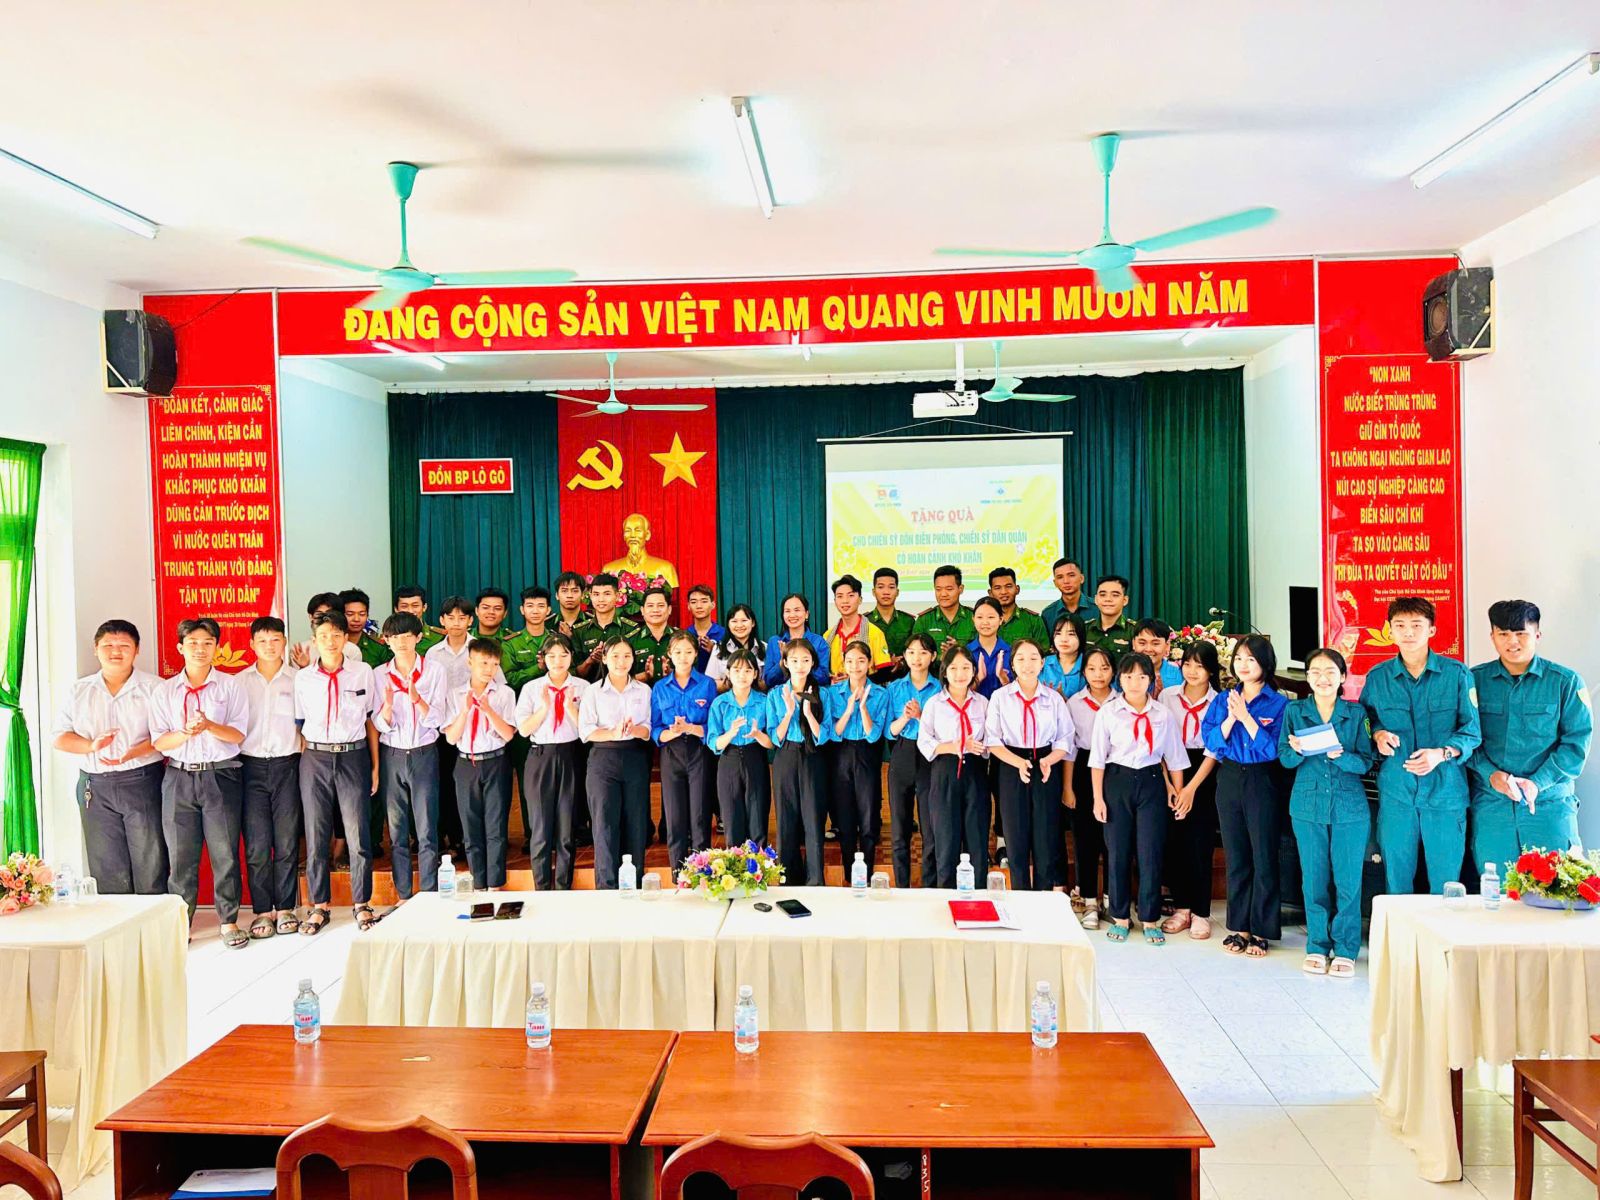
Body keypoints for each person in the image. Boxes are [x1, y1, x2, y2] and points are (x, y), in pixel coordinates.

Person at [1362, 597, 1481, 894]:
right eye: (1400, 625)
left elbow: (1472, 731)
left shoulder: (1457, 675)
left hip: (1445, 793)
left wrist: (1442, 754)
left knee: (1446, 885)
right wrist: (1377, 734)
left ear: (1431, 630)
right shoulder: (1377, 678)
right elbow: (1366, 722)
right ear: (1390, 630)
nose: (1408, 632)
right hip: (1397, 794)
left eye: (1417, 625)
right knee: (1396, 883)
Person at [1468, 599, 1593, 868]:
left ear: (1537, 635)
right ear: (1492, 637)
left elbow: (1576, 746)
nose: (1512, 641)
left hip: (1549, 806)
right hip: (1493, 806)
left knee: (1556, 886)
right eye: (1503, 633)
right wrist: (1491, 774)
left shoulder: (1565, 682)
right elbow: (1466, 737)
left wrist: (1537, 782)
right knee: (1497, 889)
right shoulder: (1473, 680)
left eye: (1521, 633)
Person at [148, 618, 249, 944]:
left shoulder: (231, 686)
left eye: (207, 643)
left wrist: (209, 726)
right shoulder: (164, 691)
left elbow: (238, 735)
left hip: (221, 775)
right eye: (192, 643)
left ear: (217, 647)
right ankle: (182, 925)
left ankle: (228, 921)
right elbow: (159, 741)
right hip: (178, 776)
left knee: (225, 854)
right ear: (180, 647)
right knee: (180, 857)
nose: (200, 649)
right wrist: (184, 733)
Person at [51, 619, 167, 897]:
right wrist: (91, 745)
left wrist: (134, 752)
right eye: (108, 645)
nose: (116, 651)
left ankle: (153, 921)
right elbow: (59, 737)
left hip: (142, 780)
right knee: (105, 865)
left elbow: (168, 735)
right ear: (95, 649)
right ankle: (117, 922)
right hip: (95, 786)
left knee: (151, 861)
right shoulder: (78, 690)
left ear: (137, 650)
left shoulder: (155, 688)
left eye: (124, 645)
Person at [1280, 647, 1376, 977]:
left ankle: (1346, 949)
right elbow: (1284, 759)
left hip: (1350, 808)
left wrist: (1341, 756)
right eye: (1316, 672)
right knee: (1314, 879)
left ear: (1343, 677)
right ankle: (1317, 945)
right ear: (1307, 677)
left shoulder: (1356, 713)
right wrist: (1295, 750)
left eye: (1330, 672)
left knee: (1348, 880)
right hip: (1308, 807)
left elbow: (1366, 762)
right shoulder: (1295, 711)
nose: (1323, 678)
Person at [1090, 652, 1188, 945]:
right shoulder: (1108, 712)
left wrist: (1178, 792)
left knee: (1150, 850)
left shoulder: (1163, 714)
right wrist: (1098, 798)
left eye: (1142, 676)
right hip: (1117, 781)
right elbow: (1097, 759)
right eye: (1129, 676)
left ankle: (1149, 917)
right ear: (1119, 679)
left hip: (1151, 781)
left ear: (1151, 680)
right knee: (1117, 850)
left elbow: (1175, 758)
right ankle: (1120, 916)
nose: (1135, 682)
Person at [1202, 635, 1290, 958]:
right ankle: (1239, 927)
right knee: (1237, 855)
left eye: (1251, 659)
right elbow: (1212, 741)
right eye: (1239, 658)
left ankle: (1262, 931)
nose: (1243, 664)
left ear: (1265, 664)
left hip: (1262, 779)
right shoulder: (1224, 700)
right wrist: (1231, 717)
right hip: (1229, 778)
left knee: (1263, 855)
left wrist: (1247, 718)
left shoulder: (1279, 704)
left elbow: (1273, 749)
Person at [293, 609, 380, 935]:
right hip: (315, 757)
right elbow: (300, 723)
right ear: (314, 640)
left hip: (353, 756)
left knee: (358, 834)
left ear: (346, 638)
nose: (330, 641)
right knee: (316, 835)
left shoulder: (362, 672)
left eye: (336, 635)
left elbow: (370, 720)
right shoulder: (304, 678)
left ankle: (362, 902)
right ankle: (320, 905)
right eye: (323, 636)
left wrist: (374, 766)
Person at [986, 638, 1074, 891]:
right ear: (1012, 664)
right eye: (1021, 659)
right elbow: (993, 740)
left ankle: (1042, 898)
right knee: (1016, 838)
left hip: (1046, 766)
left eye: (1034, 658)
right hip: (1010, 765)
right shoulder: (1000, 697)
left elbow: (1066, 738)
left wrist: (1049, 759)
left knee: (1046, 837)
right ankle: (1020, 897)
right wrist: (1018, 763)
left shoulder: (1053, 699)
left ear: (1042, 662)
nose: (1028, 664)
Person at [373, 611, 449, 902]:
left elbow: (438, 719)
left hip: (424, 753)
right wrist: (387, 708)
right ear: (386, 640)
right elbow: (378, 724)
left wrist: (417, 699)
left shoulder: (434, 671)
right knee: (397, 829)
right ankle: (404, 895)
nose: (402, 642)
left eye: (407, 636)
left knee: (427, 828)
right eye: (395, 637)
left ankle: (428, 894)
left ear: (418, 638)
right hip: (392, 754)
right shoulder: (379, 674)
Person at [236, 617, 302, 938]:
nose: (269, 646)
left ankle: (286, 907)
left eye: (275, 640)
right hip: (248, 767)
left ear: (284, 642)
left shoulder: (298, 680)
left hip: (288, 765)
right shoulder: (238, 682)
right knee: (257, 844)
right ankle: (262, 911)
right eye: (262, 641)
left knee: (287, 841)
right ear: (252, 644)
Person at [441, 637, 518, 891]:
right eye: (484, 663)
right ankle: (478, 882)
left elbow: (508, 735)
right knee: (470, 825)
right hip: (466, 764)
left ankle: (495, 884)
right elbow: (451, 738)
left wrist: (488, 710)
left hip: (496, 762)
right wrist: (465, 711)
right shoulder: (455, 694)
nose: (489, 669)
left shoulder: (505, 693)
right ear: (470, 662)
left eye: (494, 664)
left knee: (495, 825)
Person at [578, 637, 653, 889]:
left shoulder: (643, 690)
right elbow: (586, 731)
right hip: (603, 758)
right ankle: (607, 887)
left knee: (635, 822)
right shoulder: (593, 691)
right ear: (605, 658)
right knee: (604, 824)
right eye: (615, 656)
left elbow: (649, 728)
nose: (621, 662)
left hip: (634, 756)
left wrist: (635, 729)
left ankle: (635, 884)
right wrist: (612, 732)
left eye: (627, 656)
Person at [516, 634, 589, 890]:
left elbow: (587, 731)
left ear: (571, 657)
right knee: (540, 826)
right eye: (552, 656)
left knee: (567, 827)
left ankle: (562, 887)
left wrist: (570, 708)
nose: (558, 661)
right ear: (543, 659)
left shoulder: (583, 687)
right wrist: (545, 708)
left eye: (563, 655)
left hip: (571, 754)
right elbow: (524, 729)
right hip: (540, 756)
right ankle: (542, 887)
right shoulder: (531, 688)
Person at [1159, 642, 1221, 940]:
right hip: (1172, 768)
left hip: (1204, 770)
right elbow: (1159, 740)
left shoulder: (1220, 701)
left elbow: (1215, 749)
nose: (1192, 671)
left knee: (1200, 842)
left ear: (1211, 670)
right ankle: (1181, 908)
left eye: (1200, 665)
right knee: (1174, 840)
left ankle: (1200, 912)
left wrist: (1191, 788)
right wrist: (1171, 785)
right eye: (1187, 664)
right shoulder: (1167, 696)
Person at [917, 645, 990, 886]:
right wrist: (954, 745)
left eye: (966, 668)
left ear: (974, 672)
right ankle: (945, 895)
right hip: (945, 772)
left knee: (977, 840)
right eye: (954, 668)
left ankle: (977, 896)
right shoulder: (934, 703)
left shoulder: (982, 703)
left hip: (975, 773)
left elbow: (992, 739)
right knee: (946, 841)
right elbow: (924, 741)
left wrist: (979, 747)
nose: (960, 674)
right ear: (945, 672)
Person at [424, 595, 486, 859]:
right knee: (444, 785)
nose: (457, 622)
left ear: (471, 620)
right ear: (442, 620)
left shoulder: (480, 649)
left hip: (474, 730)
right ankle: (446, 837)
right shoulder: (433, 653)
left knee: (468, 788)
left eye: (462, 617)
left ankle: (466, 839)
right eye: (451, 617)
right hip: (443, 729)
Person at [766, 637, 830, 885]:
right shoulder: (775, 694)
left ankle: (815, 881)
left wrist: (807, 713)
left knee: (813, 819)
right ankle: (788, 880)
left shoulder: (823, 693)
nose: (800, 665)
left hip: (814, 756)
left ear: (813, 662)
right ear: (785, 662)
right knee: (786, 818)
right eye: (794, 660)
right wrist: (790, 712)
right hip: (786, 756)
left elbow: (826, 735)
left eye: (805, 660)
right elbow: (775, 737)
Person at [653, 630, 718, 867]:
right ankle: (678, 872)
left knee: (700, 814)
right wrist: (672, 732)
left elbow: (713, 725)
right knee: (675, 815)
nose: (683, 657)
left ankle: (703, 871)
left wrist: (690, 727)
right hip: (671, 752)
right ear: (669, 654)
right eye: (678, 652)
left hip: (699, 751)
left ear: (696, 654)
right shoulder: (660, 687)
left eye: (688, 652)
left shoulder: (707, 684)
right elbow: (655, 727)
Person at [1064, 647, 1116, 928]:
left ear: (1114, 672)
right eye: (1092, 668)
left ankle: (1111, 899)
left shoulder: (1122, 701)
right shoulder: (1075, 703)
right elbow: (1070, 748)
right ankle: (1089, 901)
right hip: (1083, 769)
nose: (1098, 674)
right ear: (1083, 672)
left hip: (1114, 769)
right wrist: (1068, 786)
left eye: (1105, 668)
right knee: (1085, 838)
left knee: (1113, 839)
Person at [829, 640, 890, 875]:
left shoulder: (880, 694)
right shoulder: (833, 693)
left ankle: (867, 872)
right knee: (844, 817)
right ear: (843, 663)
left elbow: (874, 735)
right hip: (840, 754)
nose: (855, 666)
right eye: (850, 661)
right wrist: (848, 709)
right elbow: (833, 734)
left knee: (868, 814)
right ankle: (848, 873)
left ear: (870, 663)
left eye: (861, 660)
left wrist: (863, 707)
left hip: (867, 754)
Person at [886, 633, 941, 887]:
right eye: (911, 652)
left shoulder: (940, 689)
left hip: (931, 755)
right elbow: (890, 731)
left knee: (930, 828)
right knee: (900, 828)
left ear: (933, 656)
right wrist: (906, 718)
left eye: (923, 652)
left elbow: (943, 732)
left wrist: (920, 717)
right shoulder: (894, 688)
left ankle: (929, 886)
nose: (916, 658)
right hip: (903, 753)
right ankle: (902, 886)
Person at [707, 649, 774, 846]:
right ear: (728, 673)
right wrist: (730, 733)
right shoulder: (720, 703)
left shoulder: (764, 701)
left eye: (747, 670)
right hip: (729, 759)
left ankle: (758, 863)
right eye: (736, 670)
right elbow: (713, 743)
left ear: (755, 674)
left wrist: (758, 734)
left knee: (758, 816)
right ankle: (735, 863)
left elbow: (772, 742)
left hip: (756, 758)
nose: (742, 675)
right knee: (731, 818)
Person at [573, 573, 639, 682]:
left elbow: (634, 670)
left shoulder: (631, 629)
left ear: (617, 596)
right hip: (588, 689)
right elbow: (575, 675)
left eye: (607, 594)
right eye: (596, 594)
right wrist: (590, 660)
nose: (601, 599)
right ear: (590, 596)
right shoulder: (579, 631)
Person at [825, 574, 890, 680]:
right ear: (835, 601)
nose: (845, 601)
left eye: (851, 595)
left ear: (860, 600)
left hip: (865, 689)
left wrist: (853, 680)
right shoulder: (828, 636)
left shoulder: (875, 633)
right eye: (840, 596)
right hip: (835, 689)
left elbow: (884, 673)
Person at [763, 592, 830, 689]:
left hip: (811, 694)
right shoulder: (774, 642)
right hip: (781, 696)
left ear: (806, 614)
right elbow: (768, 681)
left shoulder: (818, 642)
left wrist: (805, 661)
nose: (792, 615)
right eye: (787, 611)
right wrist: (782, 663)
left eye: (797, 610)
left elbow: (824, 679)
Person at [910, 564, 976, 663]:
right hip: (934, 673)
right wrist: (940, 657)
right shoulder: (924, 620)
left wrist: (960, 651)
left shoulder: (974, 618)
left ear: (960, 589)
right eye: (938, 589)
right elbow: (915, 656)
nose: (943, 594)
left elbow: (983, 651)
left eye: (949, 589)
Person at [290, 592, 361, 668]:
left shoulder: (352, 650)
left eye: (330, 613)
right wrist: (303, 667)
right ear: (311, 617)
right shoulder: (300, 650)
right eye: (319, 614)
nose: (324, 618)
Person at [502, 587, 552, 695]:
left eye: (541, 606)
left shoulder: (556, 640)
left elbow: (570, 672)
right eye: (530, 606)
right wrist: (538, 668)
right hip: (521, 700)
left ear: (548, 610)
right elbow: (508, 680)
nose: (535, 611)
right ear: (522, 610)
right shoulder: (511, 643)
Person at [868, 567, 915, 680]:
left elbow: (915, 652)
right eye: (880, 587)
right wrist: (886, 661)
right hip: (873, 682)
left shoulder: (908, 621)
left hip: (903, 681)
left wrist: (901, 663)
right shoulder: (865, 621)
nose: (886, 592)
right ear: (873, 592)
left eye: (891, 587)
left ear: (897, 592)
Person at [988, 566, 1049, 649]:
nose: (1003, 592)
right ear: (990, 593)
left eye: (1008, 586)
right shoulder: (984, 621)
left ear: (1017, 589)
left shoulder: (1033, 620)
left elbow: (1044, 652)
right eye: (997, 588)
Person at [706, 603, 764, 687]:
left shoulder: (764, 648)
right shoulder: (719, 649)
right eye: (734, 621)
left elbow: (769, 682)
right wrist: (730, 684)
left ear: (753, 623)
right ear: (728, 624)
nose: (739, 625)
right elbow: (710, 682)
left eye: (744, 620)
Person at [630, 586, 678, 685]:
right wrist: (644, 676)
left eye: (660, 605)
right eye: (650, 606)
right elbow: (620, 680)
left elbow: (694, 676)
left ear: (669, 609)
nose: (655, 610)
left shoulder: (681, 639)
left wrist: (673, 675)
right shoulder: (630, 640)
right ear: (642, 610)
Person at [968, 597, 1011, 699]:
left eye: (991, 617)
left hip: (1004, 707)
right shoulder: (965, 653)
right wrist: (978, 678)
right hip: (973, 707)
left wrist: (1003, 678)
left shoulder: (1011, 652)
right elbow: (959, 693)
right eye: (980, 617)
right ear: (973, 619)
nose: (985, 622)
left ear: (1000, 619)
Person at [1086, 575, 1138, 658]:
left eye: (1115, 595)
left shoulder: (1134, 630)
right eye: (1103, 595)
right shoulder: (1085, 628)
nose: (1108, 599)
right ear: (1096, 599)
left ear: (1125, 600)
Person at [340, 588, 393, 669]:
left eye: (362, 614)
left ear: (367, 615)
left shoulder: (378, 645)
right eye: (350, 614)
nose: (356, 619)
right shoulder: (332, 644)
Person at [1041, 557, 1095, 632]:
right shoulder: (1048, 614)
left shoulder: (1098, 608)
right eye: (1060, 577)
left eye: (1071, 575)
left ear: (1081, 578)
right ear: (1055, 583)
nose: (1066, 581)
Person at [1041, 613, 1087, 701]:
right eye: (1058, 633)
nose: (1064, 639)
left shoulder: (1089, 664)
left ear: (1081, 636)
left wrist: (1065, 702)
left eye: (1071, 634)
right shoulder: (1042, 664)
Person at [1131, 619, 1183, 694]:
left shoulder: (1180, 675)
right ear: (1133, 644)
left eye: (1155, 644)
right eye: (1142, 643)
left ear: (1167, 646)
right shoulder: (1123, 674)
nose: (1148, 649)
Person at [685, 584, 726, 674]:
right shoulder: (685, 635)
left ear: (713, 605)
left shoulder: (724, 634)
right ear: (688, 606)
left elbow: (732, 663)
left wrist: (714, 650)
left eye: (704, 601)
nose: (699, 606)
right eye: (694, 602)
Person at [394, 585, 443, 655]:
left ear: (424, 607)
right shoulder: (389, 639)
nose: (410, 611)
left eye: (415, 606)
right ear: (396, 609)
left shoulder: (439, 637)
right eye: (404, 606)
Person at [552, 571, 593, 639]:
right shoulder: (547, 624)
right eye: (564, 591)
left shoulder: (593, 622)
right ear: (557, 595)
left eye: (575, 591)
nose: (570, 595)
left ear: (582, 595)